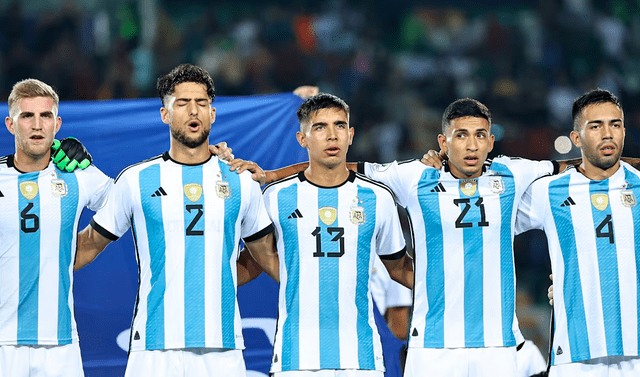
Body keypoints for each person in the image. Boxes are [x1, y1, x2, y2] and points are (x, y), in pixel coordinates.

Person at [230, 98, 583, 376]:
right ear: (444, 141)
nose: (472, 145)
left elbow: (587, 167)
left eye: (479, 135)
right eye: (461, 135)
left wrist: (629, 169)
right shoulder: (414, 176)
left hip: (498, 345)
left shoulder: (514, 173)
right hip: (429, 346)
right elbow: (345, 168)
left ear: (491, 140)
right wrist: (274, 174)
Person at [73, 63, 277, 377]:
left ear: (212, 113)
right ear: (165, 114)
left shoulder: (242, 182)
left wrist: (215, 277)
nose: (193, 111)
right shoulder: (135, 180)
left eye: (202, 103)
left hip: (222, 346)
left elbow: (267, 258)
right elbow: (88, 244)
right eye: (182, 103)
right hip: (154, 347)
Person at [258, 93, 410, 376]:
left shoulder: (378, 198)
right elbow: (253, 260)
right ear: (302, 139)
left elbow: (400, 269)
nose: (332, 136)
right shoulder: (275, 197)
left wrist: (448, 285)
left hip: (361, 358)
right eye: (320, 127)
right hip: (295, 358)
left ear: (350, 135)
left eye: (339, 126)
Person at [516, 89, 640, 375]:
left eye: (615, 124)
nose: (607, 133)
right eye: (596, 126)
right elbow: (491, 228)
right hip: (574, 352)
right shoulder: (548, 191)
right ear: (576, 138)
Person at [0, 78, 112, 377]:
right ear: (11, 124)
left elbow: (129, 206)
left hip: (61, 346)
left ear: (57, 123)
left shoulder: (77, 174)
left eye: (45, 116)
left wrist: (89, 165)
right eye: (27, 116)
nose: (37, 125)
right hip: (3, 344)